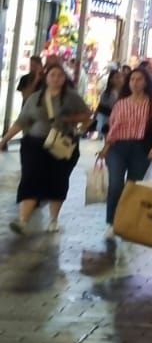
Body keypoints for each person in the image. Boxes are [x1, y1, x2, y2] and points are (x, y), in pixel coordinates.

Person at [0, 61, 91, 233]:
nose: (56, 79)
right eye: (52, 75)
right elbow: (21, 122)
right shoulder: (35, 98)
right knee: (30, 179)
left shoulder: (71, 97)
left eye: (60, 75)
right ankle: (23, 221)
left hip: (60, 146)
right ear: (46, 78)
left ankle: (53, 220)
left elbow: (87, 115)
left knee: (57, 181)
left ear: (64, 78)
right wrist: (4, 139)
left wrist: (70, 120)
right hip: (34, 144)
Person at [101, 65, 152, 235]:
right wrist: (106, 147)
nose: (135, 83)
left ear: (146, 83)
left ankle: (126, 220)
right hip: (118, 147)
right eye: (132, 79)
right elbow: (113, 127)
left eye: (139, 79)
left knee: (132, 186)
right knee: (115, 184)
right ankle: (111, 221)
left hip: (141, 148)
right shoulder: (121, 104)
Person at [93, 68, 123, 139]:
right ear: (111, 80)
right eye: (117, 77)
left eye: (120, 77)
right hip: (105, 120)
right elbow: (101, 107)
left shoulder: (121, 93)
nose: (120, 79)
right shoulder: (109, 93)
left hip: (111, 121)